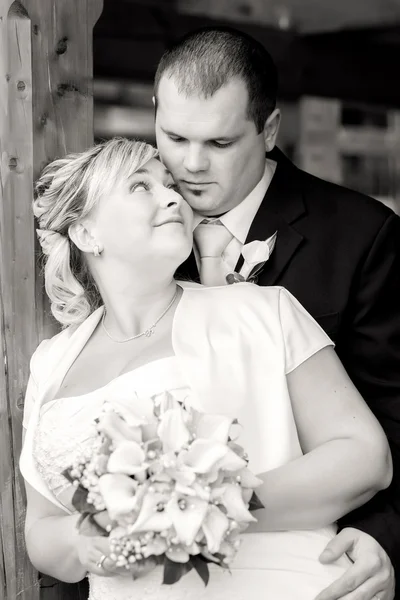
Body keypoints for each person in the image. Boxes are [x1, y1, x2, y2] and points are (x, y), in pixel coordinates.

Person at [20, 138, 392, 600]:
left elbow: (364, 456)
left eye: (170, 184)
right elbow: (40, 529)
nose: (173, 196)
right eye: (141, 186)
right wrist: (82, 541)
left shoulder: (263, 310)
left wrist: (210, 501)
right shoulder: (51, 362)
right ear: (85, 234)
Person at [153, 26, 400, 600]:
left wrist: (384, 535)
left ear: (268, 130)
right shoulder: (129, 233)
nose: (190, 165)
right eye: (173, 136)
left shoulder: (362, 237)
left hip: (312, 557)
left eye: (219, 144)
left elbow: (395, 411)